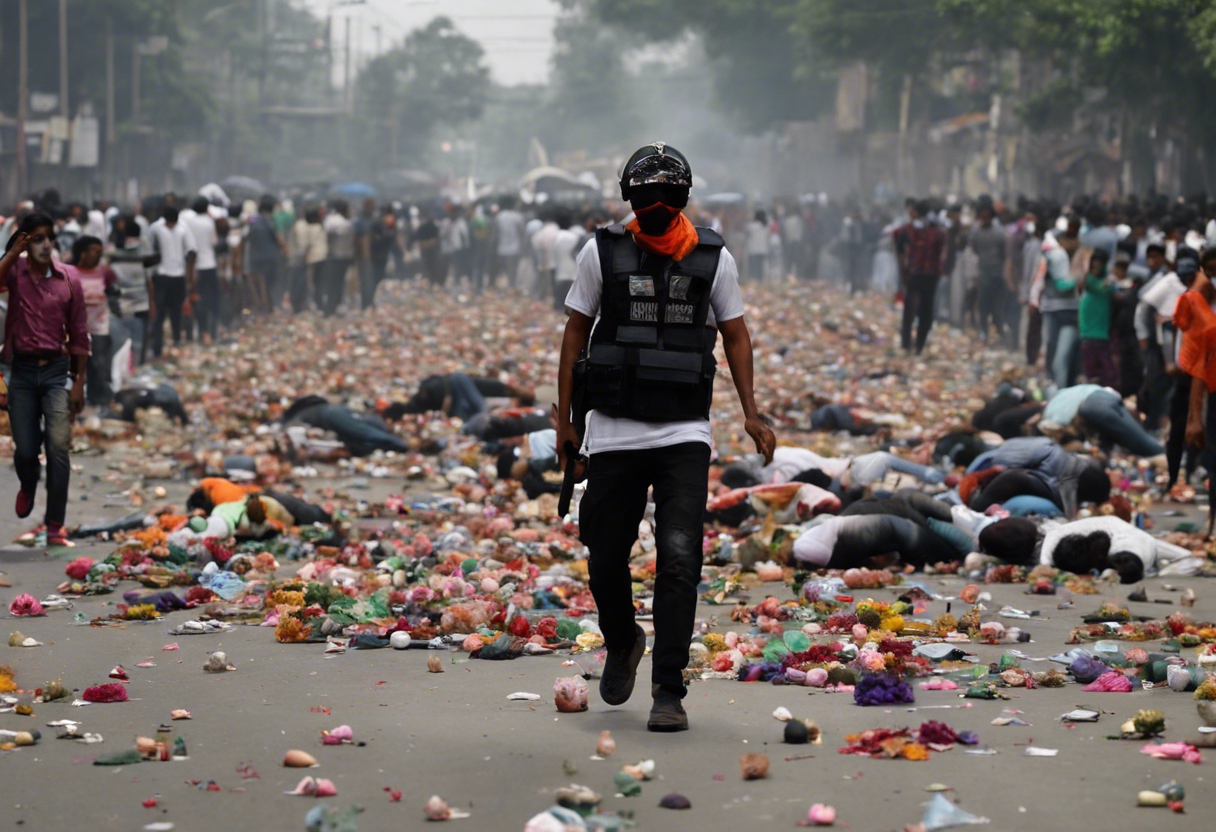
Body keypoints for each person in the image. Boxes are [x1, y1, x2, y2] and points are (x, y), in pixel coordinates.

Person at [557, 142, 775, 732]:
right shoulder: (599, 253)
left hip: (684, 431)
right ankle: (623, 639)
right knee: (605, 557)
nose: (655, 204)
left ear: (682, 199)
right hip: (613, 431)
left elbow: (736, 336)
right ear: (629, 199)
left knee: (680, 559)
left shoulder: (713, 259)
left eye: (667, 195)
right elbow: (575, 335)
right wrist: (565, 422)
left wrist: (751, 412)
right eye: (644, 195)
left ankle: (668, 688)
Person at [0, 215, 90, 548]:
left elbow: (80, 332)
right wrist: (13, 253)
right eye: (36, 239)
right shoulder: (14, 273)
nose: (45, 244)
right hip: (21, 372)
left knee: (58, 447)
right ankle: (28, 483)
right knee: (25, 449)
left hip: (56, 371)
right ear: (25, 243)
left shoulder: (69, 279)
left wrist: (79, 381)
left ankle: (55, 524)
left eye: (48, 238)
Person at [68, 236, 118, 407]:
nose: (98, 255)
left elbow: (113, 294)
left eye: (100, 252)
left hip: (99, 327)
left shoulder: (105, 272)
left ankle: (98, 402)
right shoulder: (69, 272)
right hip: (74, 329)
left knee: (98, 366)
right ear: (83, 253)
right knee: (74, 368)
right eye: (94, 251)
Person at [893, 200, 944, 355]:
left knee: (912, 309)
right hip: (929, 275)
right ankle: (917, 346)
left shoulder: (908, 230)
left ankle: (907, 344)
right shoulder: (936, 231)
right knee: (925, 310)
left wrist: (903, 272)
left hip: (917, 274)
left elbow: (900, 251)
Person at [147, 205, 197, 358]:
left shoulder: (183, 228)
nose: (171, 226)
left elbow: (192, 250)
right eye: (169, 223)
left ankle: (176, 344)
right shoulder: (155, 228)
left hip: (178, 276)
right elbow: (149, 251)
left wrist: (189, 276)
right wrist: (149, 274)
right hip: (161, 275)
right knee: (159, 314)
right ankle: (157, 348)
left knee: (177, 313)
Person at [969, 203, 1013, 347]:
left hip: (998, 275)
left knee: (998, 307)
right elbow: (974, 250)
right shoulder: (976, 232)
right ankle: (984, 333)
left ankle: (1000, 333)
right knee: (982, 305)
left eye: (987, 216)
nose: (984, 218)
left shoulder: (1000, 232)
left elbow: (1004, 254)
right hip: (983, 274)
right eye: (982, 216)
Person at [181, 197, 220, 343]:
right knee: (211, 300)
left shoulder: (187, 222)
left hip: (192, 267)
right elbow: (214, 242)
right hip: (208, 265)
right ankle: (210, 332)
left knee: (195, 299)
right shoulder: (208, 222)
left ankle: (196, 331)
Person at [1078, 247, 1117, 386]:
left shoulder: (1108, 281)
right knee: (1092, 373)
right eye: (1095, 262)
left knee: (1108, 374)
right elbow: (1100, 286)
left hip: (1104, 334)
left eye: (1100, 262)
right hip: (1089, 334)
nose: (1097, 265)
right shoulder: (1089, 280)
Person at [243, 195, 285, 313]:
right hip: (269, 258)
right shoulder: (270, 222)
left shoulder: (253, 222)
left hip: (255, 259)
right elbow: (278, 239)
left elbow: (246, 237)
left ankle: (261, 308)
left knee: (258, 286)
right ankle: (267, 308)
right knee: (268, 285)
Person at [322, 200, 355, 315]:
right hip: (341, 257)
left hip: (334, 256)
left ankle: (331, 307)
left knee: (332, 283)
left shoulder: (330, 221)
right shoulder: (345, 222)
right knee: (338, 283)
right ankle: (334, 306)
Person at [494, 197, 526, 288]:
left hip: (501, 248)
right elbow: (522, 233)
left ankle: (507, 286)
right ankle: (512, 286)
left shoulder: (499, 217)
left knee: (504, 270)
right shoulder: (518, 216)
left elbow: (496, 233)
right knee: (513, 270)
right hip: (515, 248)